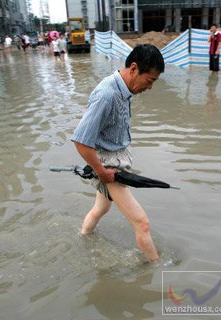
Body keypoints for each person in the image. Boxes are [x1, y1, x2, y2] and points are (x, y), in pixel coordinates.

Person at [71, 44, 165, 262]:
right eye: (149, 80)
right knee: (142, 223)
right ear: (133, 69)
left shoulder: (125, 89)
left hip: (113, 163)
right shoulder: (107, 95)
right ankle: (159, 269)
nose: (149, 87)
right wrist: (101, 172)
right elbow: (81, 141)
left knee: (100, 208)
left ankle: (82, 237)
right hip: (108, 168)